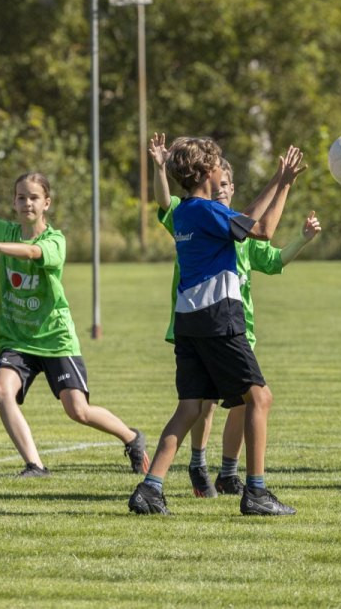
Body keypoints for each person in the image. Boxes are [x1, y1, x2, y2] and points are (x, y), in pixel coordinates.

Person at [0, 143, 148, 477]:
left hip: (54, 338)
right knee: (1, 389)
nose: (26, 203)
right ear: (14, 202)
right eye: (21, 197)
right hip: (17, 339)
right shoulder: (4, 229)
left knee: (77, 410)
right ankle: (35, 464)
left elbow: (33, 252)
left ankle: (132, 438)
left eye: (33, 197)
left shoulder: (55, 240)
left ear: (46, 202)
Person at [130, 136, 304, 516]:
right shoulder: (205, 210)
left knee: (190, 407)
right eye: (216, 163)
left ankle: (150, 488)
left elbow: (258, 225)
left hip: (188, 319)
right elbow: (261, 230)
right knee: (259, 398)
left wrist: (279, 182)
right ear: (207, 172)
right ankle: (255, 492)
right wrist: (282, 180)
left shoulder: (185, 212)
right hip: (217, 315)